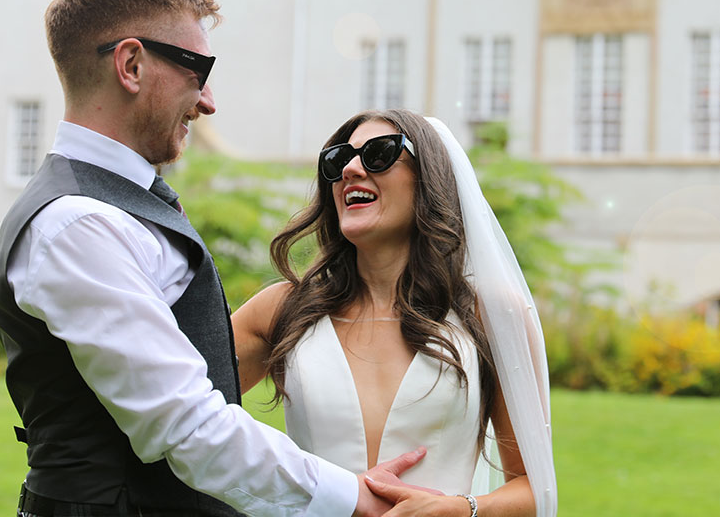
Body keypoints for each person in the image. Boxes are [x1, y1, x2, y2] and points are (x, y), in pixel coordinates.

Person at [0, 0, 424, 517]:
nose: (208, 102)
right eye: (198, 71)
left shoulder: (111, 208)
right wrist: (353, 498)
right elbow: (187, 425)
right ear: (132, 65)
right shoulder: (81, 223)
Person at [233, 109, 557, 517]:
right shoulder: (280, 311)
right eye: (337, 160)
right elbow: (180, 412)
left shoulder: (491, 314)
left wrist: (460, 509)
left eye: (378, 154)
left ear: (429, 179)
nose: (350, 169)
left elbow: (535, 491)